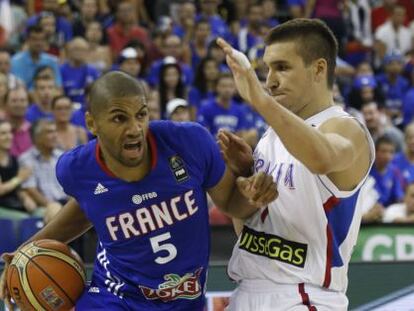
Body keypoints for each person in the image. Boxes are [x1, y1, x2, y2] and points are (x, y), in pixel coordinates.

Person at [0, 71, 277, 311]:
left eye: (141, 115)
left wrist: (252, 192)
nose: (135, 129)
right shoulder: (75, 169)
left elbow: (231, 203)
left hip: (184, 300)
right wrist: (24, 254)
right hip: (115, 297)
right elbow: (89, 207)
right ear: (92, 123)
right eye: (119, 118)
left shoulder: (189, 142)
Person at [216, 18, 375, 310]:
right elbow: (249, 233)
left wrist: (259, 99)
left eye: (282, 67)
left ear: (318, 69)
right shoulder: (269, 138)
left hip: (304, 297)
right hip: (247, 290)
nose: (270, 80)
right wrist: (245, 175)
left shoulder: (345, 128)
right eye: (266, 70)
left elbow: (322, 157)